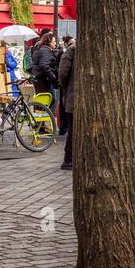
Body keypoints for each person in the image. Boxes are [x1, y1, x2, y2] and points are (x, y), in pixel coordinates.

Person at [57, 37, 76, 171]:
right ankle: (69, 159)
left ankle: (68, 159)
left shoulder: (71, 51)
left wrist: (66, 88)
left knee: (73, 130)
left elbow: (63, 74)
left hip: (74, 96)